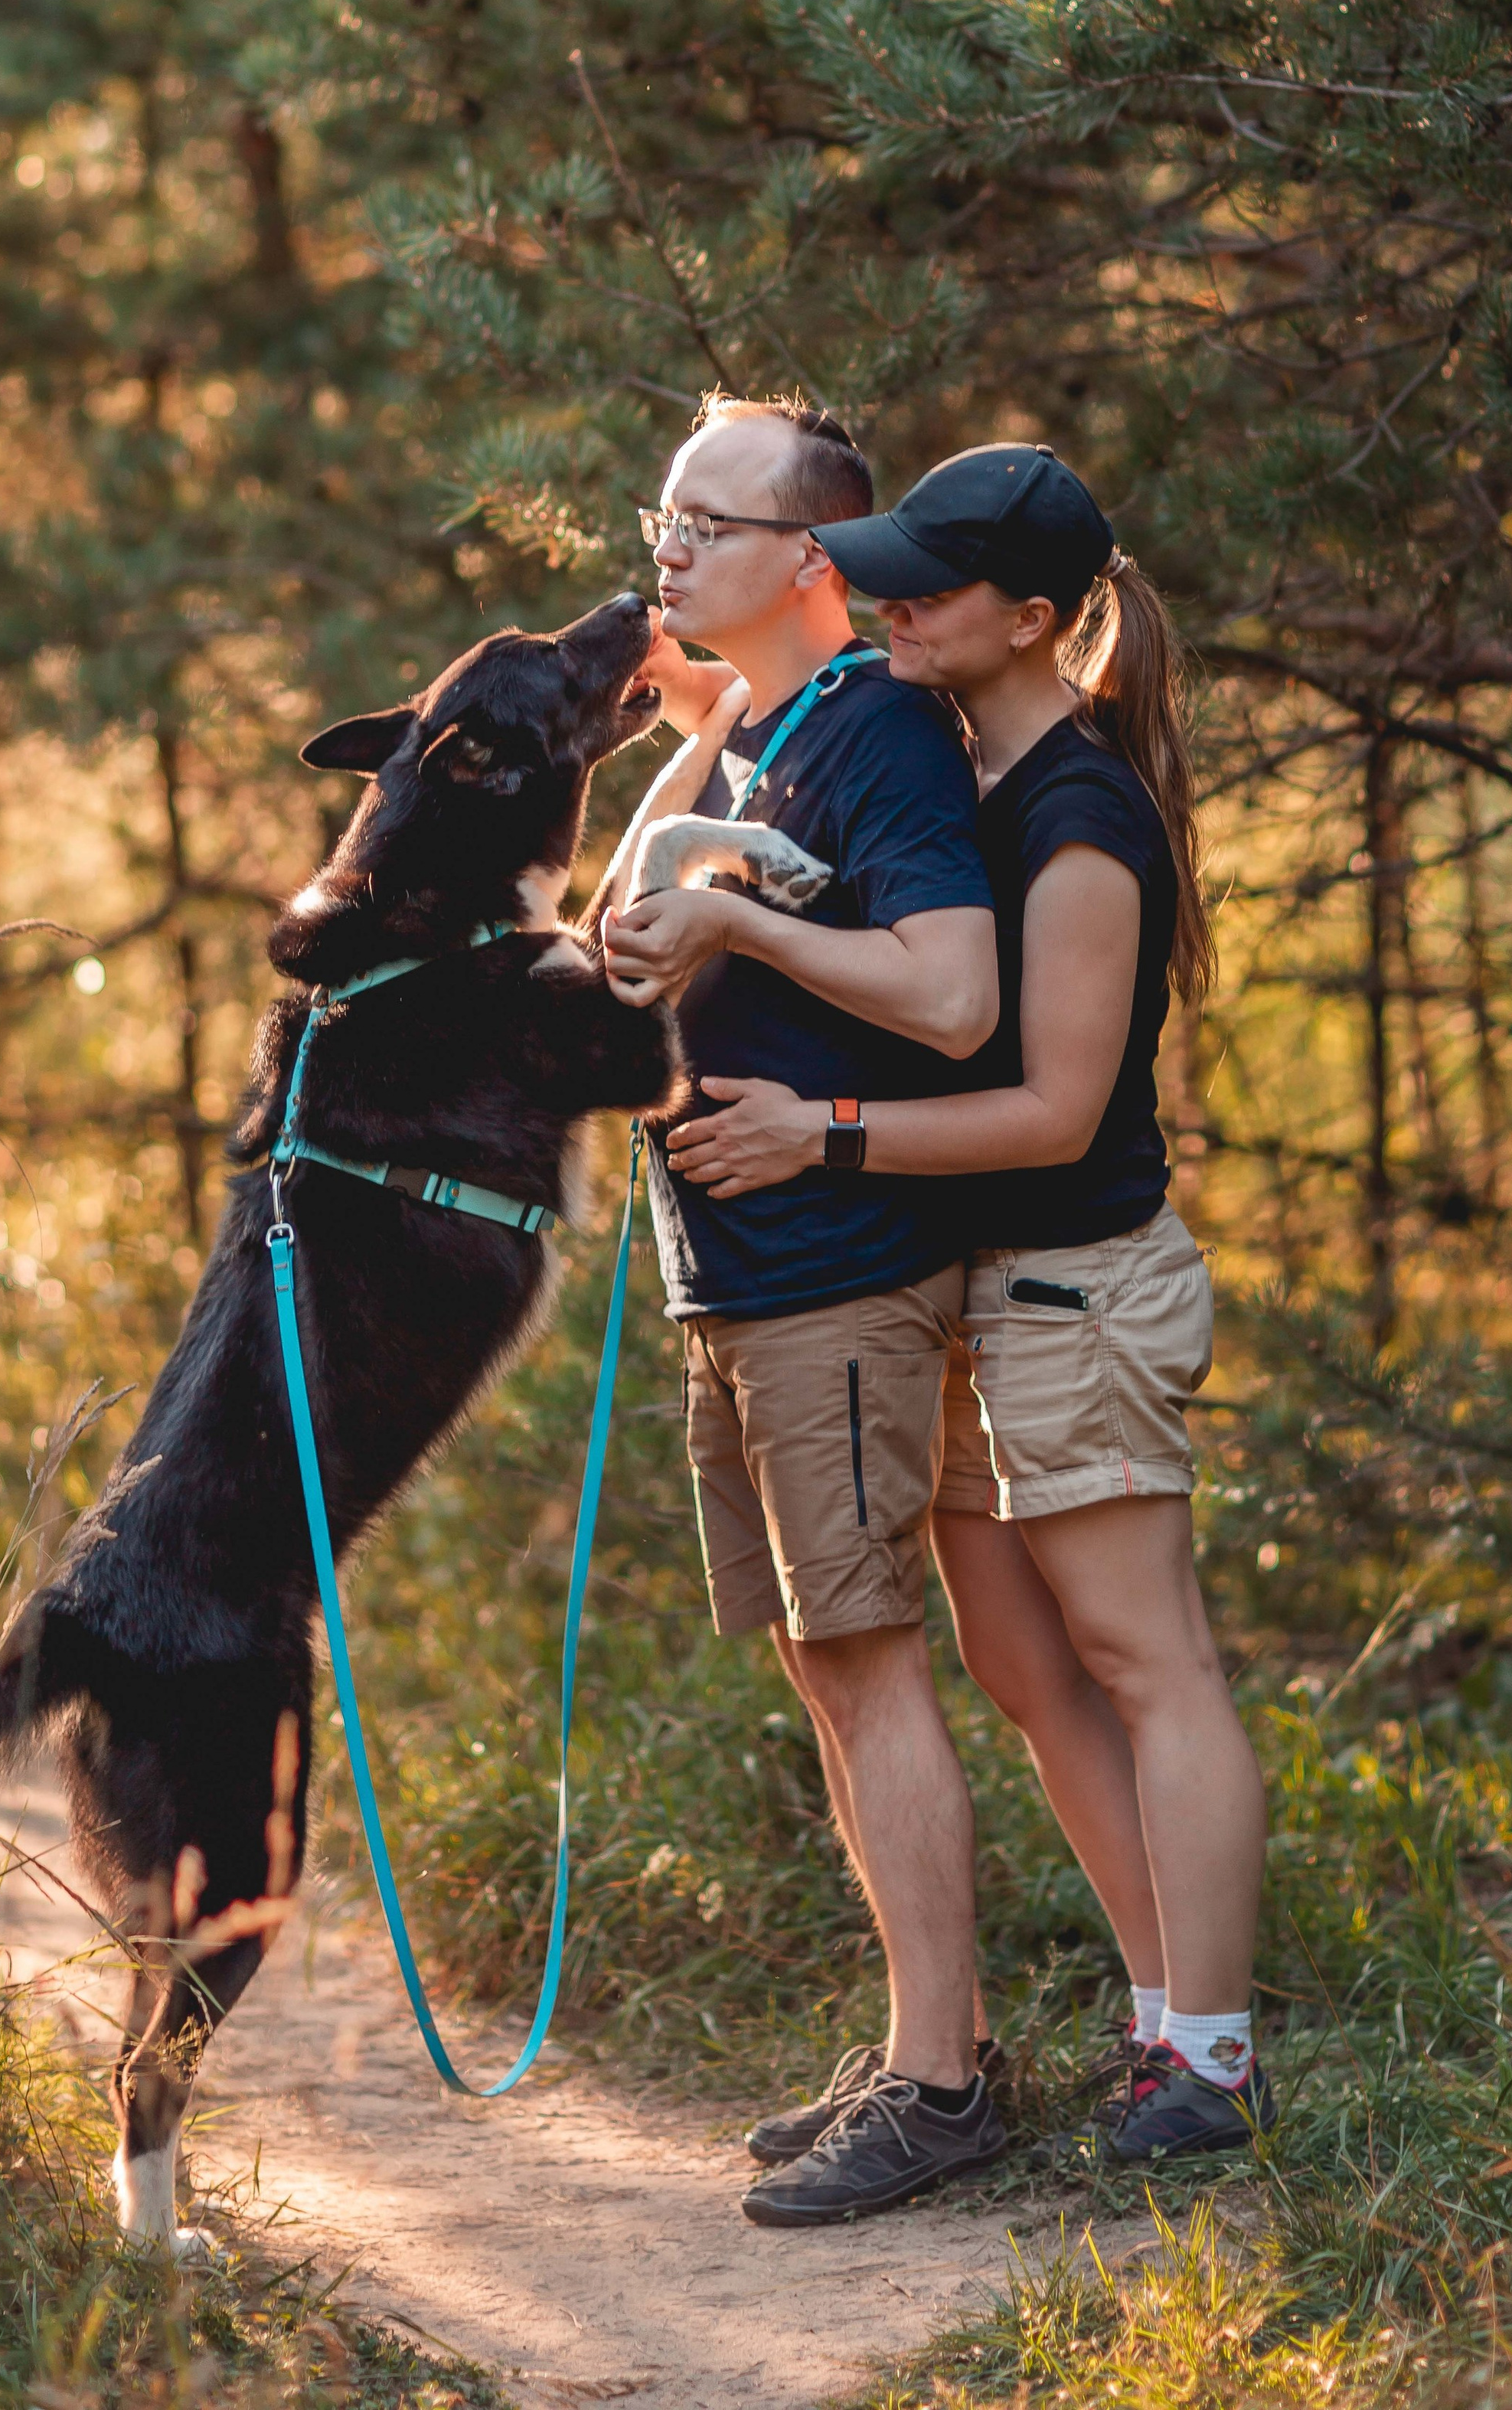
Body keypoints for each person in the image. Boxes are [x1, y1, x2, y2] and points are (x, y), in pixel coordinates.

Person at [661, 444, 1272, 2167]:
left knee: (1146, 1656)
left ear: (1027, 619)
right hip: (985, 1285)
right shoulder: (971, 770)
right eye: (885, 569)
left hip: (1078, 1283)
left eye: (926, 582)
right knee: (1020, 1661)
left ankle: (1212, 2057)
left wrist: (821, 1131)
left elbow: (1052, 1116)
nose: (890, 597)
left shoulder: (1077, 822)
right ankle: (1159, 2017)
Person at [601, 393, 1008, 2227]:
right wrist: (691, 762)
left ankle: (941, 2088)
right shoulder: (757, 732)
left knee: (866, 1658)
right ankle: (926, 2039)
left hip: (836, 1284)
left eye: (704, 520)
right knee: (821, 1667)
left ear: (808, 560)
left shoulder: (882, 741)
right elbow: (613, 931)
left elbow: (948, 997)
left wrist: (746, 929)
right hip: (736, 1286)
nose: (666, 547)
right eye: (659, 517)